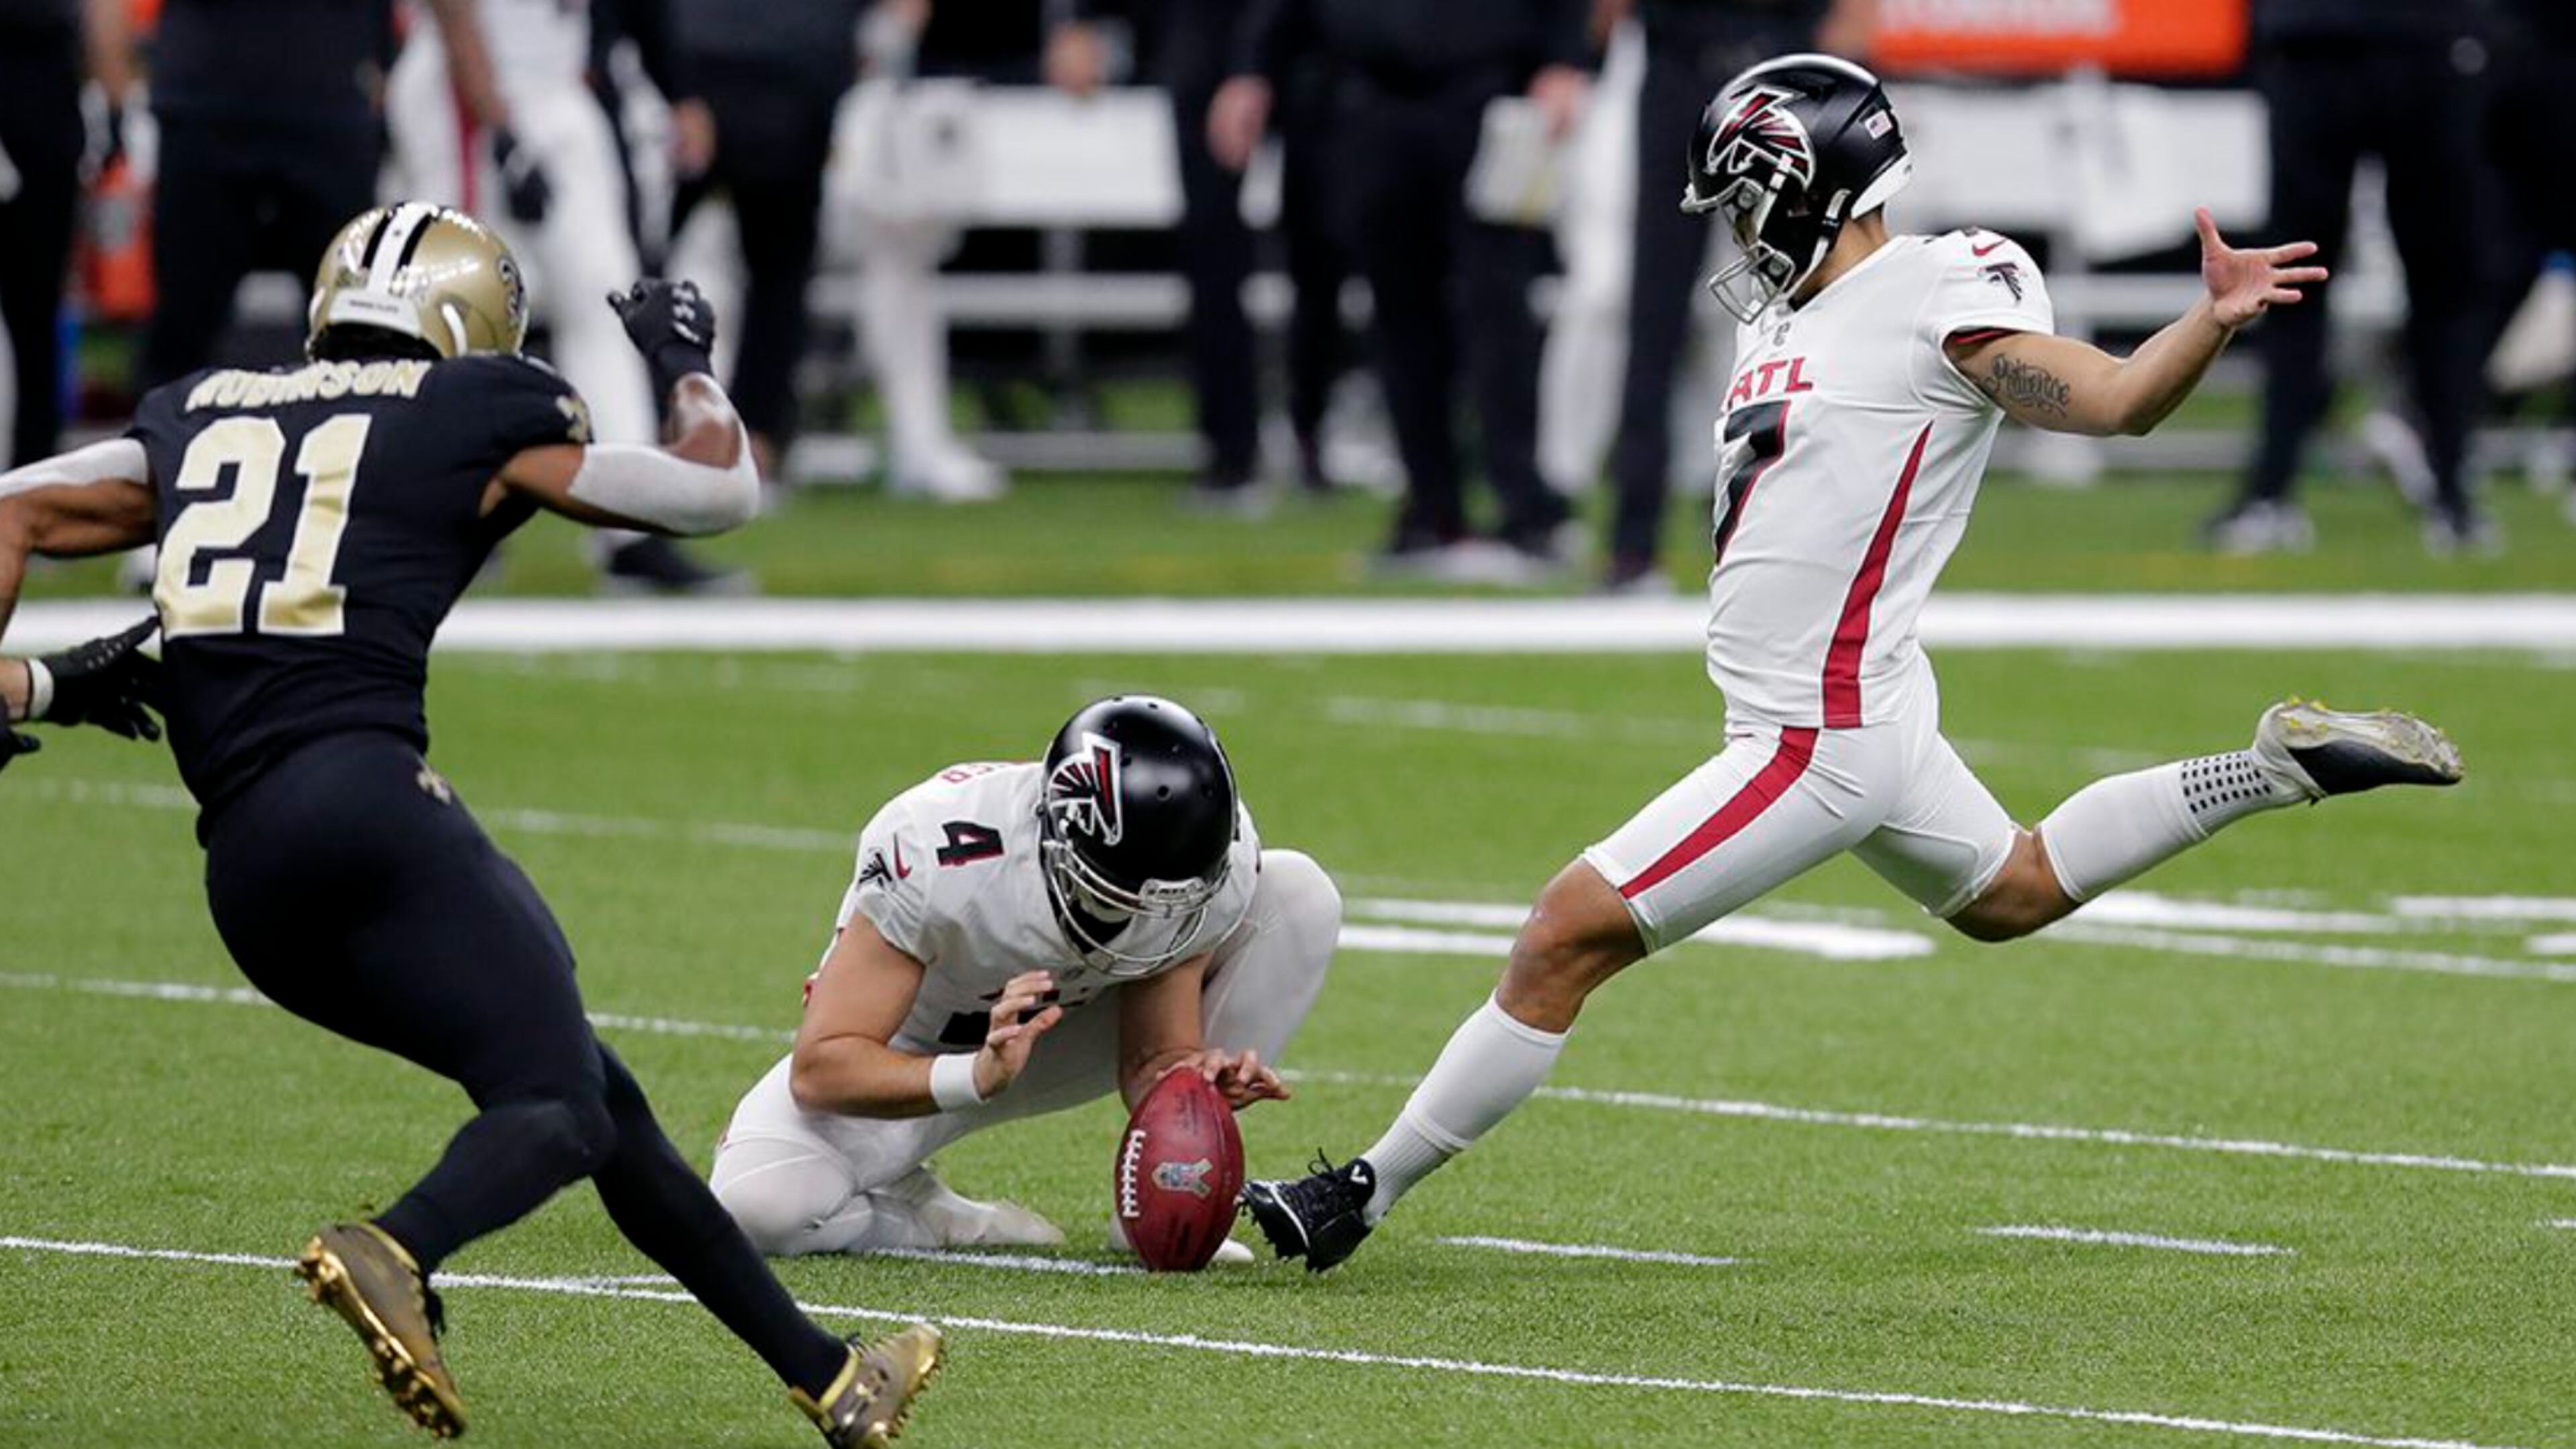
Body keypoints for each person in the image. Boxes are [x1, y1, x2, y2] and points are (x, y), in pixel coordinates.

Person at [1241, 56, 2465, 1272]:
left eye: (1741, 196)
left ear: (1794, 185)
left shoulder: (1940, 287)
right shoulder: (1790, 316)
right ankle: (2274, 766)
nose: (1734, 225)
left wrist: (2205, 321)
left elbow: (2114, 402)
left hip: (1817, 734)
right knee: (2015, 892)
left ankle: (1363, 1189)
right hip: (1853, 711)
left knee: (1564, 935)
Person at [0, 204, 940, 1445]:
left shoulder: (206, 408)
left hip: (249, 879)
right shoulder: (470, 407)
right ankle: (396, 1248)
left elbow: (14, 505)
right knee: (557, 1104)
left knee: (592, 1093)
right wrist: (684, 363)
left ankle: (830, 1380)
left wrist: (34, 684)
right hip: (371, 812)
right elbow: (719, 492)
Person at [712, 695, 1339, 1261]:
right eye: (1118, 899)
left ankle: (1167, 1200)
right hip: (918, 1049)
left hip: (1069, 1025)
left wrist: (1193, 1087)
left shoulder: (1202, 864)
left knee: (1298, 893)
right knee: (758, 1209)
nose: (1145, 921)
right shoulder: (939, 850)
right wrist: (975, 1074)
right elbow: (822, 1066)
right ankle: (923, 1216)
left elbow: (1155, 1052)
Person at [386, 0, 745, 594]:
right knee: (456, 310)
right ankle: (438, 513)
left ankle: (632, 525)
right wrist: (498, 125)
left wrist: (673, 87)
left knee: (607, 302)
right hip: (469, 94)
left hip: (558, 87)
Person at [1224, 0, 1592, 578]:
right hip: (1366, 99)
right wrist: (1251, 70)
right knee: (1398, 315)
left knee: (1498, 314)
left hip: (1489, 96)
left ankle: (1527, 510)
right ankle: (1431, 506)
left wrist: (1566, 59)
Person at [2202, 0, 2499, 555]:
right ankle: (2272, 490)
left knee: (2442, 282)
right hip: (2326, 42)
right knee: (2290, 281)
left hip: (2412, 44)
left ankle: (2452, 490)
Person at [1599, 0, 1870, 592]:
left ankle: (1809, 529)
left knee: (1814, 309)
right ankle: (1633, 540)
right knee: (1656, 312)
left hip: (1785, 72)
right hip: (1683, 68)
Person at [671, 0, 865, 478]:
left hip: (711, 56)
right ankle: (749, 439)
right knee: (779, 275)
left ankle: (667, 427)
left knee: (644, 261)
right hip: (782, 61)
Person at [0, 0, 127, 469]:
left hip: (40, 87)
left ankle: (30, 475)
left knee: (36, 317)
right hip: (40, 91)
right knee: (36, 319)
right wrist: (115, 108)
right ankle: (30, 482)